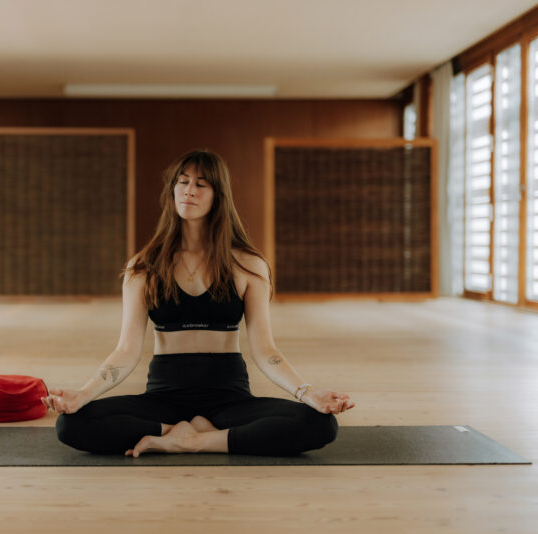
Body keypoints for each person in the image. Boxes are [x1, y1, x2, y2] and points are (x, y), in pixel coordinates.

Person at [45, 149, 355, 457]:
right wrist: (82, 395)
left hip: (229, 397)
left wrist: (307, 392)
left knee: (319, 424)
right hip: (164, 398)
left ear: (218, 196)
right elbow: (126, 351)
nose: (189, 191)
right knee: (72, 424)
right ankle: (172, 432)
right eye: (182, 182)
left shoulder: (247, 265)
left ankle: (198, 441)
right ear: (172, 190)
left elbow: (266, 350)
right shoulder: (143, 266)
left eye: (201, 184)